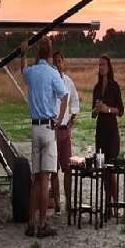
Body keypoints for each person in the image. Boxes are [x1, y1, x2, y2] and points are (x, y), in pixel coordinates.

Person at [21, 37, 68, 238]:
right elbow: (64, 95)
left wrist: (23, 53)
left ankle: (30, 224)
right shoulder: (52, 73)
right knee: (46, 179)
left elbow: (23, 71)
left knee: (36, 179)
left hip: (34, 129)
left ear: (37, 53)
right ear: (49, 53)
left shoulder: (31, 72)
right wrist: (58, 119)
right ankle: (42, 225)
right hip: (48, 129)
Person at [92, 54, 123, 217]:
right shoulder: (97, 87)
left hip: (112, 133)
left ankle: (115, 205)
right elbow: (92, 114)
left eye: (103, 65)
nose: (101, 67)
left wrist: (107, 109)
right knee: (103, 170)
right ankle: (107, 207)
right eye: (99, 65)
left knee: (112, 171)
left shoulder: (114, 86)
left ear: (109, 67)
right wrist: (96, 110)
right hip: (100, 133)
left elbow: (121, 110)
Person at [52, 50, 80, 214]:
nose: (57, 64)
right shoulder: (50, 82)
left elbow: (75, 100)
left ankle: (69, 202)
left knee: (68, 169)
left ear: (64, 63)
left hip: (65, 131)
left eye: (59, 61)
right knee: (53, 170)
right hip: (53, 131)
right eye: (54, 62)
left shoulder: (69, 82)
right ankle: (56, 203)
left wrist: (72, 119)